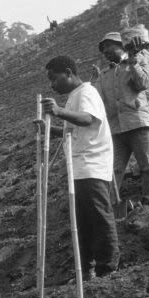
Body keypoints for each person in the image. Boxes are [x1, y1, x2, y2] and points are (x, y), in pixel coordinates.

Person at [42, 56, 120, 279]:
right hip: (79, 168)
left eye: (54, 78)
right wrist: (49, 130)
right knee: (82, 222)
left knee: (99, 217)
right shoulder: (74, 97)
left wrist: (58, 111)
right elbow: (73, 130)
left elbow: (87, 119)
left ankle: (108, 268)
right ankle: (87, 270)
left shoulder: (86, 92)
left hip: (91, 166)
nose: (52, 85)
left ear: (68, 72)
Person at [93, 30, 149, 212]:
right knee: (114, 170)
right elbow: (97, 100)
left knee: (147, 166)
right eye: (103, 49)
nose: (105, 51)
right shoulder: (103, 74)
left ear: (120, 45)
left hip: (138, 122)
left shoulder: (138, 60)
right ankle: (108, 207)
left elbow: (143, 84)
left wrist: (132, 59)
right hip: (115, 128)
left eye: (108, 46)